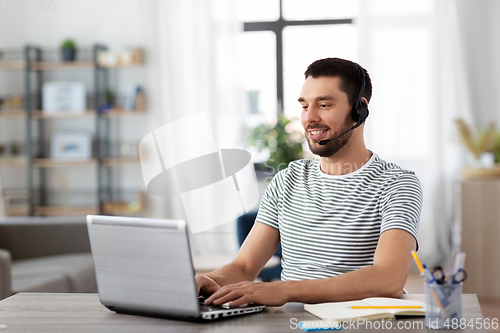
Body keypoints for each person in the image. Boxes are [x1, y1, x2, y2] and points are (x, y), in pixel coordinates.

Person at [196, 58, 422, 307]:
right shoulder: (287, 180)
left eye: (324, 105)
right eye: (304, 106)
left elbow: (388, 280)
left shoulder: (397, 184)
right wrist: (210, 279)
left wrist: (287, 290)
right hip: (289, 324)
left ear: (360, 108)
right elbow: (244, 266)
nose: (309, 118)